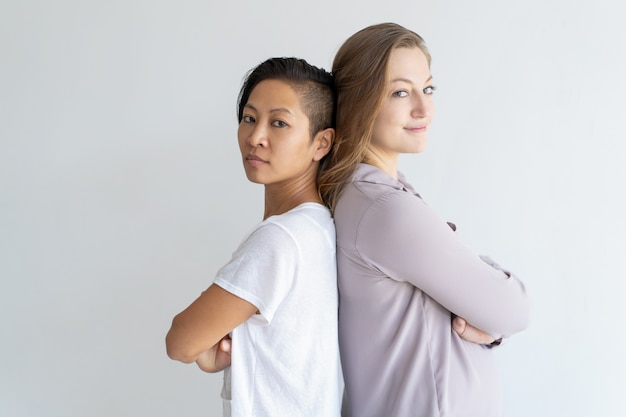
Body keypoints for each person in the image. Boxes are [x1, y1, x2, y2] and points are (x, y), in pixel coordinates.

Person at [318, 23, 531, 417]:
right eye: (401, 92)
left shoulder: (373, 195)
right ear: (358, 103)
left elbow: (495, 315)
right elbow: (514, 308)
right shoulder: (385, 210)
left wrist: (484, 319)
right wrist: (487, 302)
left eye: (428, 89)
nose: (423, 108)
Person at [166, 57, 342, 417]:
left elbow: (181, 342)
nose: (255, 137)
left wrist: (206, 350)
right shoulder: (319, 227)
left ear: (321, 143)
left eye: (279, 123)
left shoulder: (279, 239)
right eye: (249, 118)